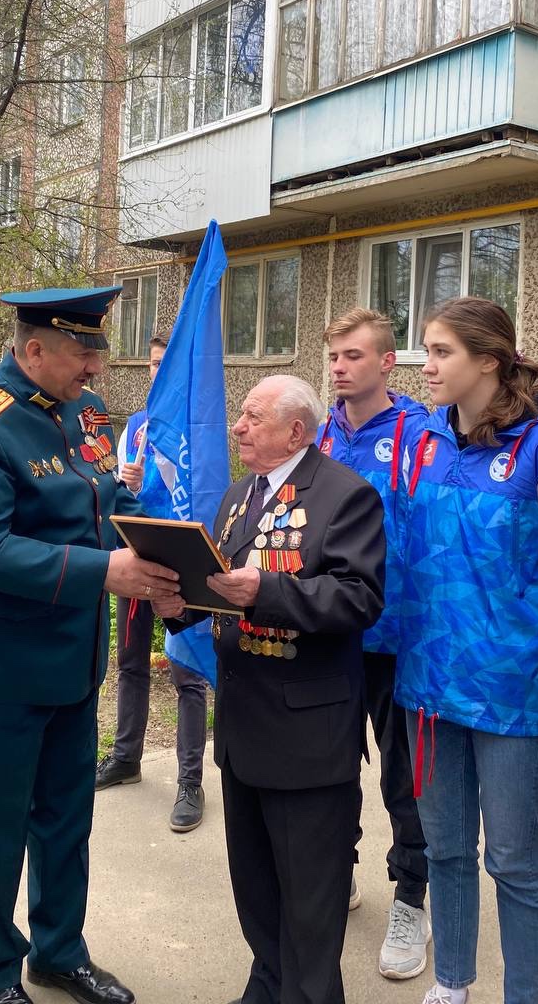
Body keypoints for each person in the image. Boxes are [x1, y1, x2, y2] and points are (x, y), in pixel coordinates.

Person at [0, 286, 180, 1004]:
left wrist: (169, 553)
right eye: (82, 352)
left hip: (74, 662)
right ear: (33, 349)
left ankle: (59, 952)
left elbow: (109, 503)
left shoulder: (86, 412)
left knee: (66, 821)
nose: (96, 367)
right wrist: (109, 571)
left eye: (98, 351)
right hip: (3, 672)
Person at [395, 296, 538, 1004]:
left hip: (510, 695)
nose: (425, 367)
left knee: (515, 859)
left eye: (440, 352)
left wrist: (526, 647)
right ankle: (452, 982)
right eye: (424, 351)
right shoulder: (423, 439)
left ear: (488, 360)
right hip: (427, 687)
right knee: (447, 849)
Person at [159, 374, 386, 1004]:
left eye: (253, 418)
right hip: (245, 728)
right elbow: (218, 583)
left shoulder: (346, 496)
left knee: (311, 907)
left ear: (296, 430)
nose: (238, 428)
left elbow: (359, 598)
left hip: (308, 736)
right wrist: (176, 603)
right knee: (255, 887)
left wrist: (269, 592)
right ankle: (266, 987)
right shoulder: (240, 495)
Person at [318, 307, 431, 978]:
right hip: (330, 632)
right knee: (328, 770)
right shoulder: (320, 434)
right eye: (334, 356)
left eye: (353, 356)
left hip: (399, 639)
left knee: (403, 780)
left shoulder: (422, 434)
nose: (339, 367)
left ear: (387, 362)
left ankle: (412, 897)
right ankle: (340, 871)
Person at [96, 330, 209, 832]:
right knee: (131, 659)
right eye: (152, 363)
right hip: (139, 553)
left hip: (183, 557)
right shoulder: (138, 424)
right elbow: (121, 485)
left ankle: (190, 780)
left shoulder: (197, 424)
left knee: (186, 673)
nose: (157, 372)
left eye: (167, 364)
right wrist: (128, 483)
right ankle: (126, 756)